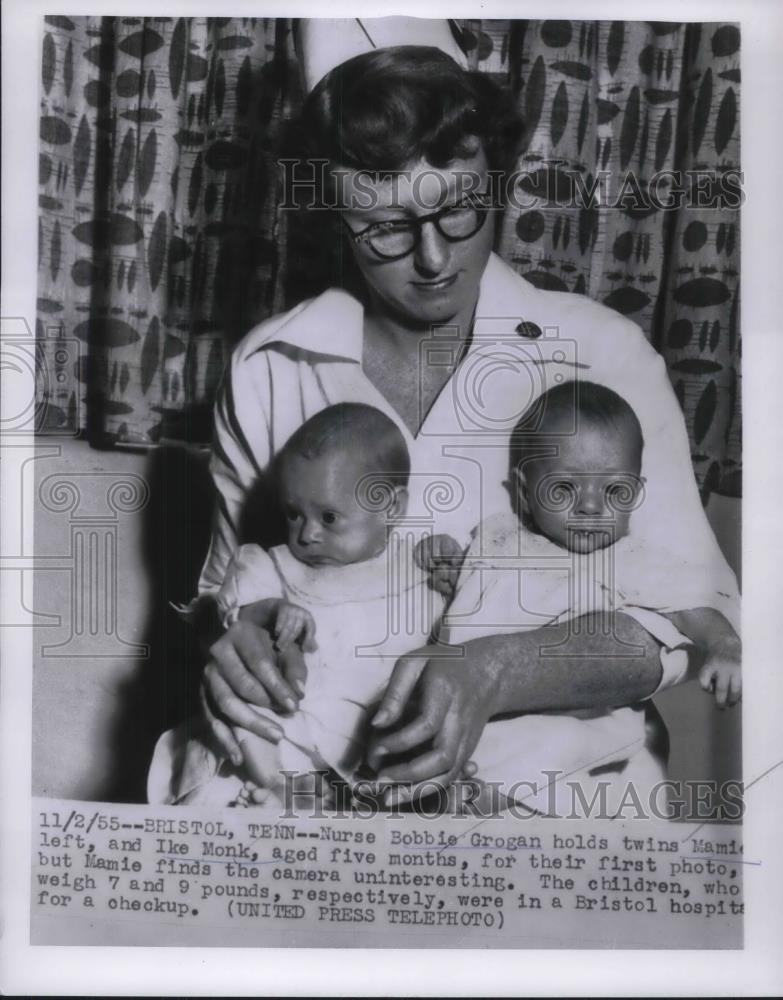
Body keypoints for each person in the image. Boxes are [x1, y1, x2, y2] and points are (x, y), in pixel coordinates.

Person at [184, 43, 740, 812]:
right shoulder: (269, 365)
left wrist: (498, 667)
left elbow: (680, 621)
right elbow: (226, 591)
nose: (434, 256)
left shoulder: (602, 352)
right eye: (384, 227)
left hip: (550, 789)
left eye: (458, 208)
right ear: (332, 220)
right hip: (298, 773)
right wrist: (238, 646)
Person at [422, 380, 741, 812]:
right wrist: (448, 563)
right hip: (469, 705)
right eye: (565, 489)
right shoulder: (498, 534)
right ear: (524, 490)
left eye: (613, 491)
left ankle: (489, 793)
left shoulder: (628, 558)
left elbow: (692, 605)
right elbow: (470, 590)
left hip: (571, 719)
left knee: (560, 743)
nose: (591, 507)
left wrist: (724, 645)